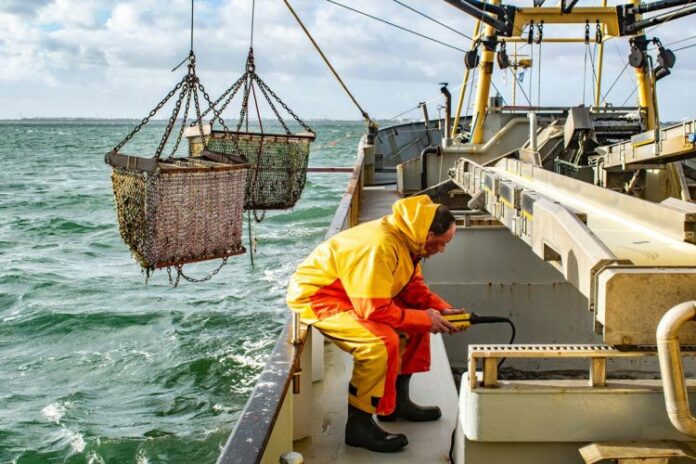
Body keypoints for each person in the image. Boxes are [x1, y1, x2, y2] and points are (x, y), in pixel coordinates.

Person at [286, 194, 467, 453]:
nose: (442, 250)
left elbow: (412, 288)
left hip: (355, 293)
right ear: (428, 235)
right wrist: (425, 318)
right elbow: (373, 309)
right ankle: (358, 426)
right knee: (379, 343)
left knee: (418, 322)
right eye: (442, 243)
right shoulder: (382, 246)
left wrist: (441, 310)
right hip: (321, 296)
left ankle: (395, 405)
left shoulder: (409, 239)